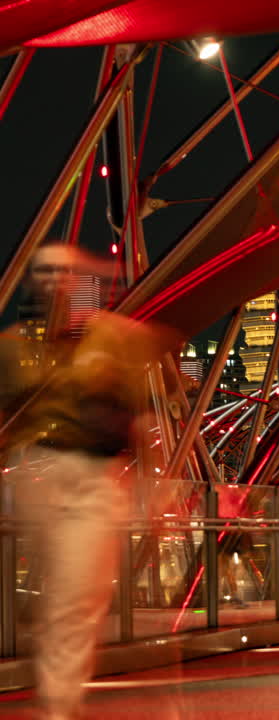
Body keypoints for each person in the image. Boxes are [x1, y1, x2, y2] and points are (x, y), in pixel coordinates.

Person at [0, 244, 168, 720]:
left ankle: (58, 705)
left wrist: (152, 490)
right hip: (36, 473)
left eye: (64, 272)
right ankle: (54, 685)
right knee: (59, 592)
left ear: (80, 281)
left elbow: (139, 421)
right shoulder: (13, 347)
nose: (54, 280)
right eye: (44, 272)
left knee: (76, 593)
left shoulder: (116, 339)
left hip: (95, 478)